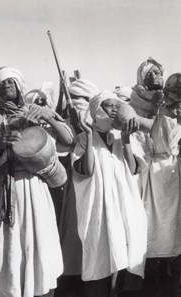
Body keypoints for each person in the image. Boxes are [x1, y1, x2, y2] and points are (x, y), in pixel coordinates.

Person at [0, 67, 74, 297]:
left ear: (20, 85)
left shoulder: (36, 111)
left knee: (39, 248)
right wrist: (0, 139)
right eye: (1, 84)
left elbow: (68, 140)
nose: (7, 85)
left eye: (11, 81)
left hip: (36, 190)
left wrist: (48, 115)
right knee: (9, 253)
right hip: (6, 193)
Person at [71, 90, 147, 297]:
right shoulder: (83, 138)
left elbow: (133, 170)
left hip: (124, 210)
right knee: (101, 257)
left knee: (124, 254)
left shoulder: (122, 138)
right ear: (96, 110)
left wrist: (126, 140)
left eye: (117, 105)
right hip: (99, 212)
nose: (115, 109)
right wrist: (87, 134)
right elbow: (86, 171)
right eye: (109, 105)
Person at [55, 78, 99, 297]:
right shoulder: (65, 127)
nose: (75, 105)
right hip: (74, 194)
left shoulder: (102, 129)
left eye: (80, 100)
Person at [141, 73, 181, 297]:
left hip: (173, 170)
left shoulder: (176, 111)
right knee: (155, 226)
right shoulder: (149, 103)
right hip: (154, 172)